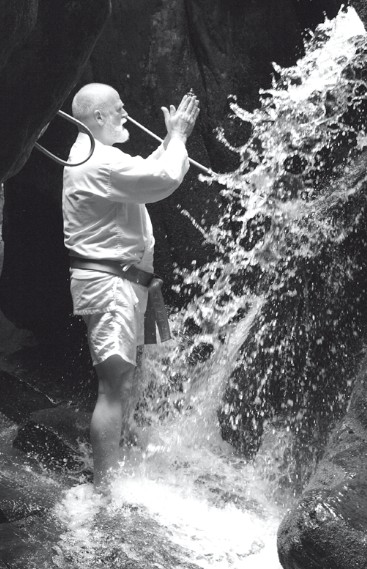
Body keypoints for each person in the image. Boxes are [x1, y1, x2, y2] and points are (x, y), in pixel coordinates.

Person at [62, 83, 199, 491]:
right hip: (110, 286)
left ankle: (115, 473)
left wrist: (172, 139)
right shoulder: (95, 163)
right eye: (118, 109)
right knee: (114, 385)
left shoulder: (102, 156)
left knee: (123, 382)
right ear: (98, 118)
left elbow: (148, 171)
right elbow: (163, 178)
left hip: (122, 284)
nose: (126, 113)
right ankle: (106, 492)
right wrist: (177, 137)